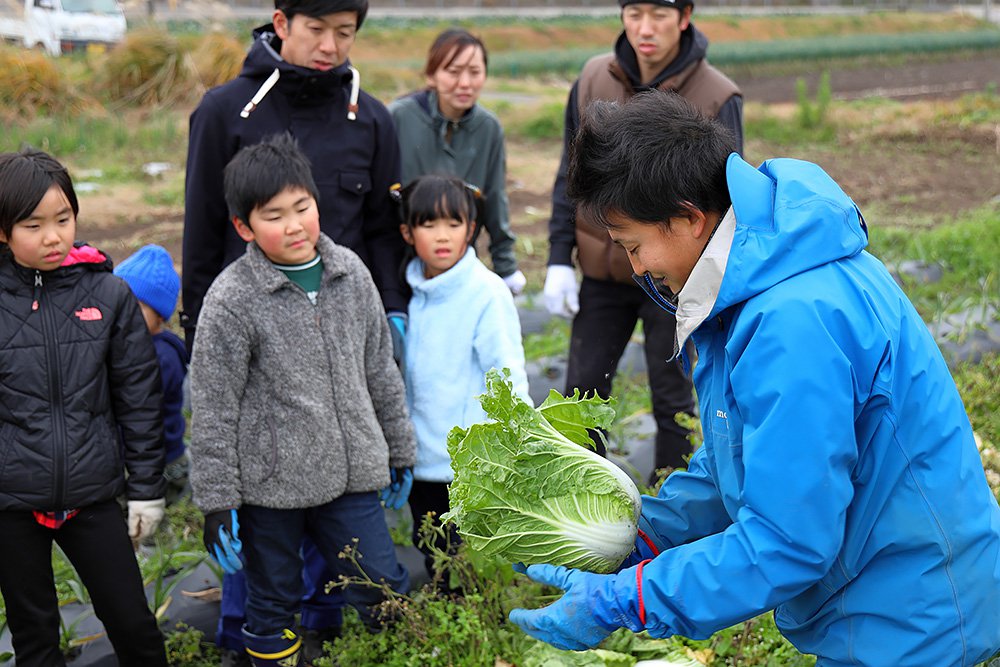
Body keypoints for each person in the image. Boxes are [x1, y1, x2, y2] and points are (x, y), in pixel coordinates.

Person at [509, 91, 1000, 665]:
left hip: (914, 617)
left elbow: (789, 541)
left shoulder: (791, 321)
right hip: (880, 602)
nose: (636, 268)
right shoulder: (751, 282)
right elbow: (738, 467)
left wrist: (629, 600)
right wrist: (643, 541)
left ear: (690, 217)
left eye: (633, 245)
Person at [181, 0, 405, 658]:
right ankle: (249, 637)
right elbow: (200, 236)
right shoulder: (227, 111)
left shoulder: (372, 117)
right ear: (281, 22)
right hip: (257, 352)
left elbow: (383, 238)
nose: (331, 46)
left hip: (339, 335)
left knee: (349, 542)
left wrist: (390, 308)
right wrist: (204, 341)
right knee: (266, 546)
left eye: (346, 32)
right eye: (317, 30)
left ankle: (331, 631)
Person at [542, 0, 742, 480]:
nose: (644, 28)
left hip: (675, 278)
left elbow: (727, 201)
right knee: (581, 396)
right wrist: (557, 258)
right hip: (602, 270)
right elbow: (569, 177)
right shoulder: (593, 79)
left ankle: (671, 506)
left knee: (674, 396)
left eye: (658, 15)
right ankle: (579, 502)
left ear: (685, 16)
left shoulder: (715, 96)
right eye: (634, 14)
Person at [0, 149, 168, 667]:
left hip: (92, 493)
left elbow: (138, 397)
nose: (54, 236)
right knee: (34, 634)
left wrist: (146, 490)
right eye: (34, 225)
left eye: (64, 219)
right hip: (10, 500)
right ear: (2, 232)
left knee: (132, 622)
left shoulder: (109, 294)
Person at [395, 174, 529, 579]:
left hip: (467, 463)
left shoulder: (485, 292)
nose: (443, 236)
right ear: (407, 232)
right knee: (431, 547)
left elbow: (506, 372)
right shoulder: (408, 294)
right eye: (429, 224)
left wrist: (515, 444)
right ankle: (448, 616)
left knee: (466, 558)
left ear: (471, 230)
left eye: (454, 224)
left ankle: (476, 623)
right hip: (421, 459)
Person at [389, 28, 526, 295]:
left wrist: (506, 267)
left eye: (474, 72)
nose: (465, 83)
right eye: (453, 72)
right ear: (432, 74)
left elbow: (495, 198)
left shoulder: (488, 128)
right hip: (401, 264)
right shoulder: (399, 118)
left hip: (458, 266)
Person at [115, 244, 191, 507]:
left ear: (159, 315)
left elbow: (137, 409)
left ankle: (152, 544)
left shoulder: (162, 358)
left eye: (136, 307)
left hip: (160, 461)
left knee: (149, 518)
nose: (124, 313)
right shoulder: (129, 345)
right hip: (141, 458)